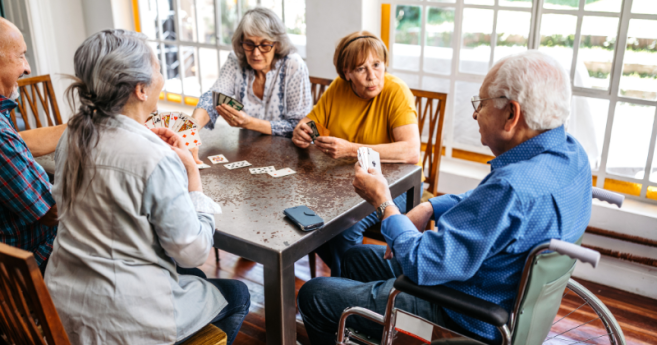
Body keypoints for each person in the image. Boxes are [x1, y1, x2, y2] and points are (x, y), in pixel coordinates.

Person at [297, 50, 593, 345]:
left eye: (481, 104)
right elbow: (486, 201)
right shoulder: (570, 153)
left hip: (457, 315)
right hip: (494, 288)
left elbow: (421, 263)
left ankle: (374, 326)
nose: (475, 114)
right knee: (354, 257)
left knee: (314, 295)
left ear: (511, 115)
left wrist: (385, 204)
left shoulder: (512, 188)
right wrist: (429, 205)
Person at [44, 30, 249, 345]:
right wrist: (193, 174)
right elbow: (193, 252)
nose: (162, 78)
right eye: (158, 70)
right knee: (236, 293)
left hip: (65, 308)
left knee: (192, 280)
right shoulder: (153, 157)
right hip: (123, 323)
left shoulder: (71, 135)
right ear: (141, 89)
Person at [291, 31, 421, 277]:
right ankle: (349, 278)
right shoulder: (339, 88)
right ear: (346, 73)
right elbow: (312, 123)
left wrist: (351, 149)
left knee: (344, 227)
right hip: (344, 183)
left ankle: (344, 288)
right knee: (306, 217)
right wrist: (302, 130)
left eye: (377, 65)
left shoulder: (396, 91)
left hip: (398, 185)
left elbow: (411, 151)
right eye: (361, 69)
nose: (372, 76)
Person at [190, 7, 312, 163]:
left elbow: (299, 126)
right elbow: (214, 97)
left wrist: (250, 123)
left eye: (265, 45)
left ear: (277, 44)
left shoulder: (294, 65)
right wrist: (191, 130)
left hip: (291, 156)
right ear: (241, 43)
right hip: (249, 152)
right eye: (249, 44)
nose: (256, 53)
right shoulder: (235, 60)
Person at [0, 17, 66, 273]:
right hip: (33, 263)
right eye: (21, 56)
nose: (27, 68)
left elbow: (21, 143)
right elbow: (53, 212)